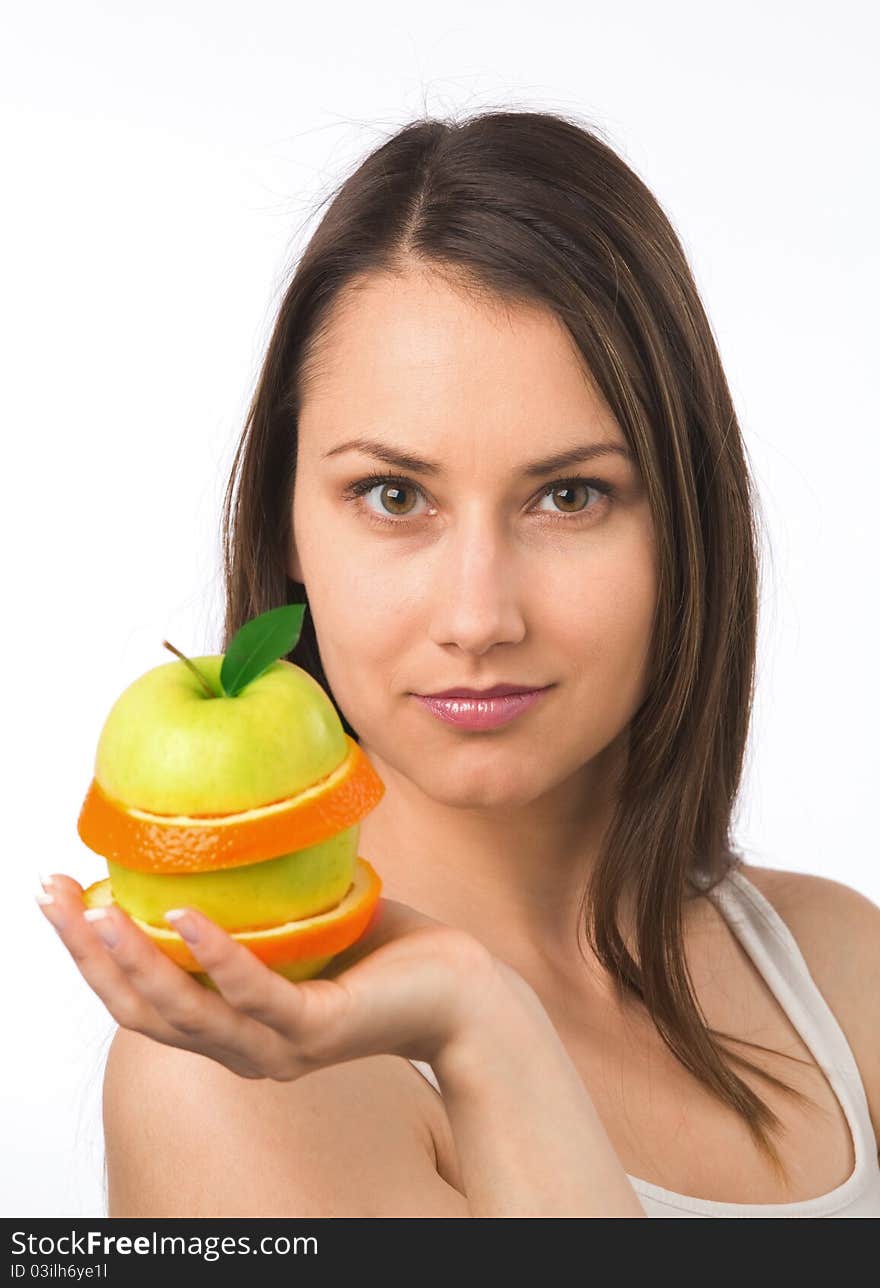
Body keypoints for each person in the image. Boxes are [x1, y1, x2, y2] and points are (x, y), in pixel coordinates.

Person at [37, 109, 880, 1218]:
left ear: (686, 523)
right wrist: (479, 1029)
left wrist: (482, 1019)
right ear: (288, 524)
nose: (478, 615)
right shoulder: (236, 1073)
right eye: (393, 496)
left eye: (569, 495)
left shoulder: (840, 966)